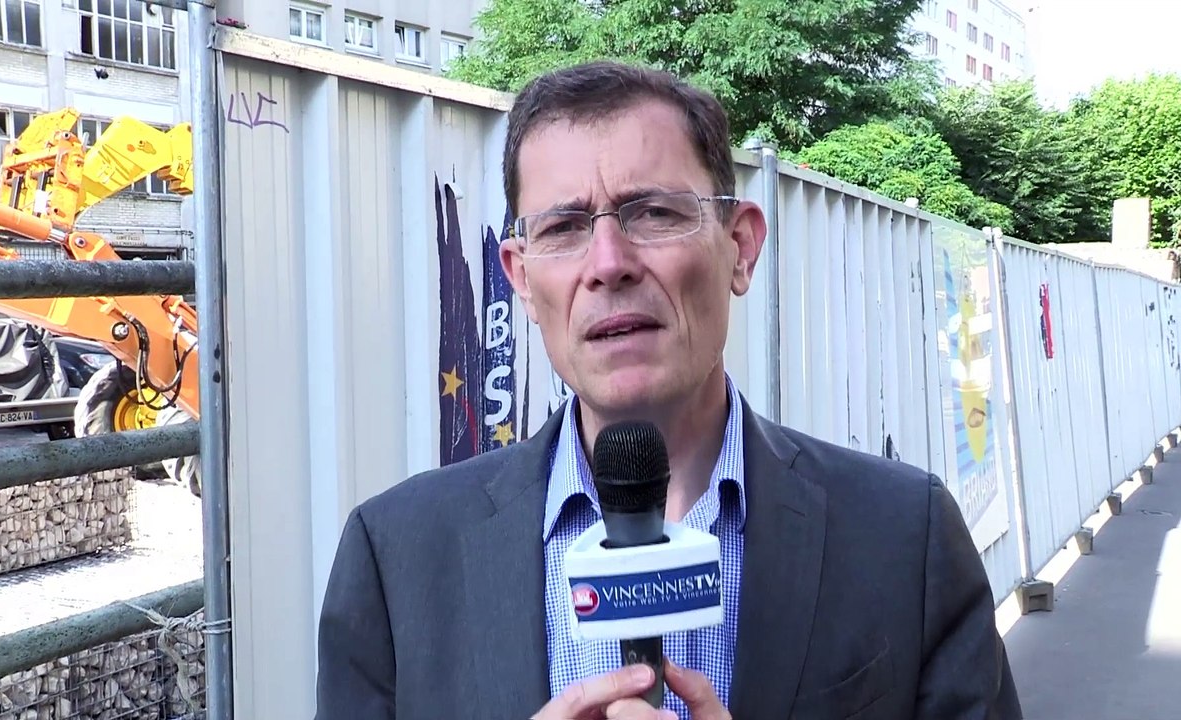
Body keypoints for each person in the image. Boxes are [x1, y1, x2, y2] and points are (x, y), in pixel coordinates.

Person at [314, 60, 1022, 720]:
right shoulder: (395, 559)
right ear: (522, 278)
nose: (609, 263)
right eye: (563, 226)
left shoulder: (904, 539)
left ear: (740, 246)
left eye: (653, 213)